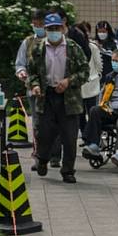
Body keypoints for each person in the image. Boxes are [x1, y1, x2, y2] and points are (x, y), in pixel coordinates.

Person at [26, 12, 88, 182]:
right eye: (50, 29)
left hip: (69, 98)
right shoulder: (38, 49)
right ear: (45, 30)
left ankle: (68, 170)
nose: (54, 31)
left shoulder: (73, 48)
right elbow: (31, 73)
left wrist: (69, 81)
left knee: (69, 136)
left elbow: (84, 72)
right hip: (46, 97)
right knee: (44, 133)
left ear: (62, 28)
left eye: (56, 28)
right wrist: (35, 85)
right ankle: (42, 159)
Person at [14, 8, 48, 81]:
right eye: (35, 24)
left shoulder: (53, 41)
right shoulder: (28, 42)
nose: (38, 27)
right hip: (33, 86)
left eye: (41, 24)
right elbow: (20, 63)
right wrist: (21, 71)